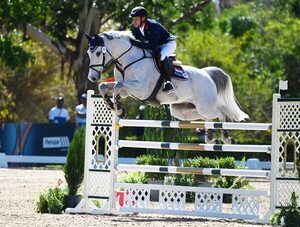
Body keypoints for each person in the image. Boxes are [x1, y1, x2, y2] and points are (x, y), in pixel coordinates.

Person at [129, 6, 177, 94]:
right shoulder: (135, 28)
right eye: (133, 19)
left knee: (160, 55)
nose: (134, 21)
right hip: (156, 45)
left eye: (136, 18)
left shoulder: (153, 25)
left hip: (168, 44)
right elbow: (134, 41)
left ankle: (168, 82)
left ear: (143, 18)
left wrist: (137, 44)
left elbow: (151, 45)